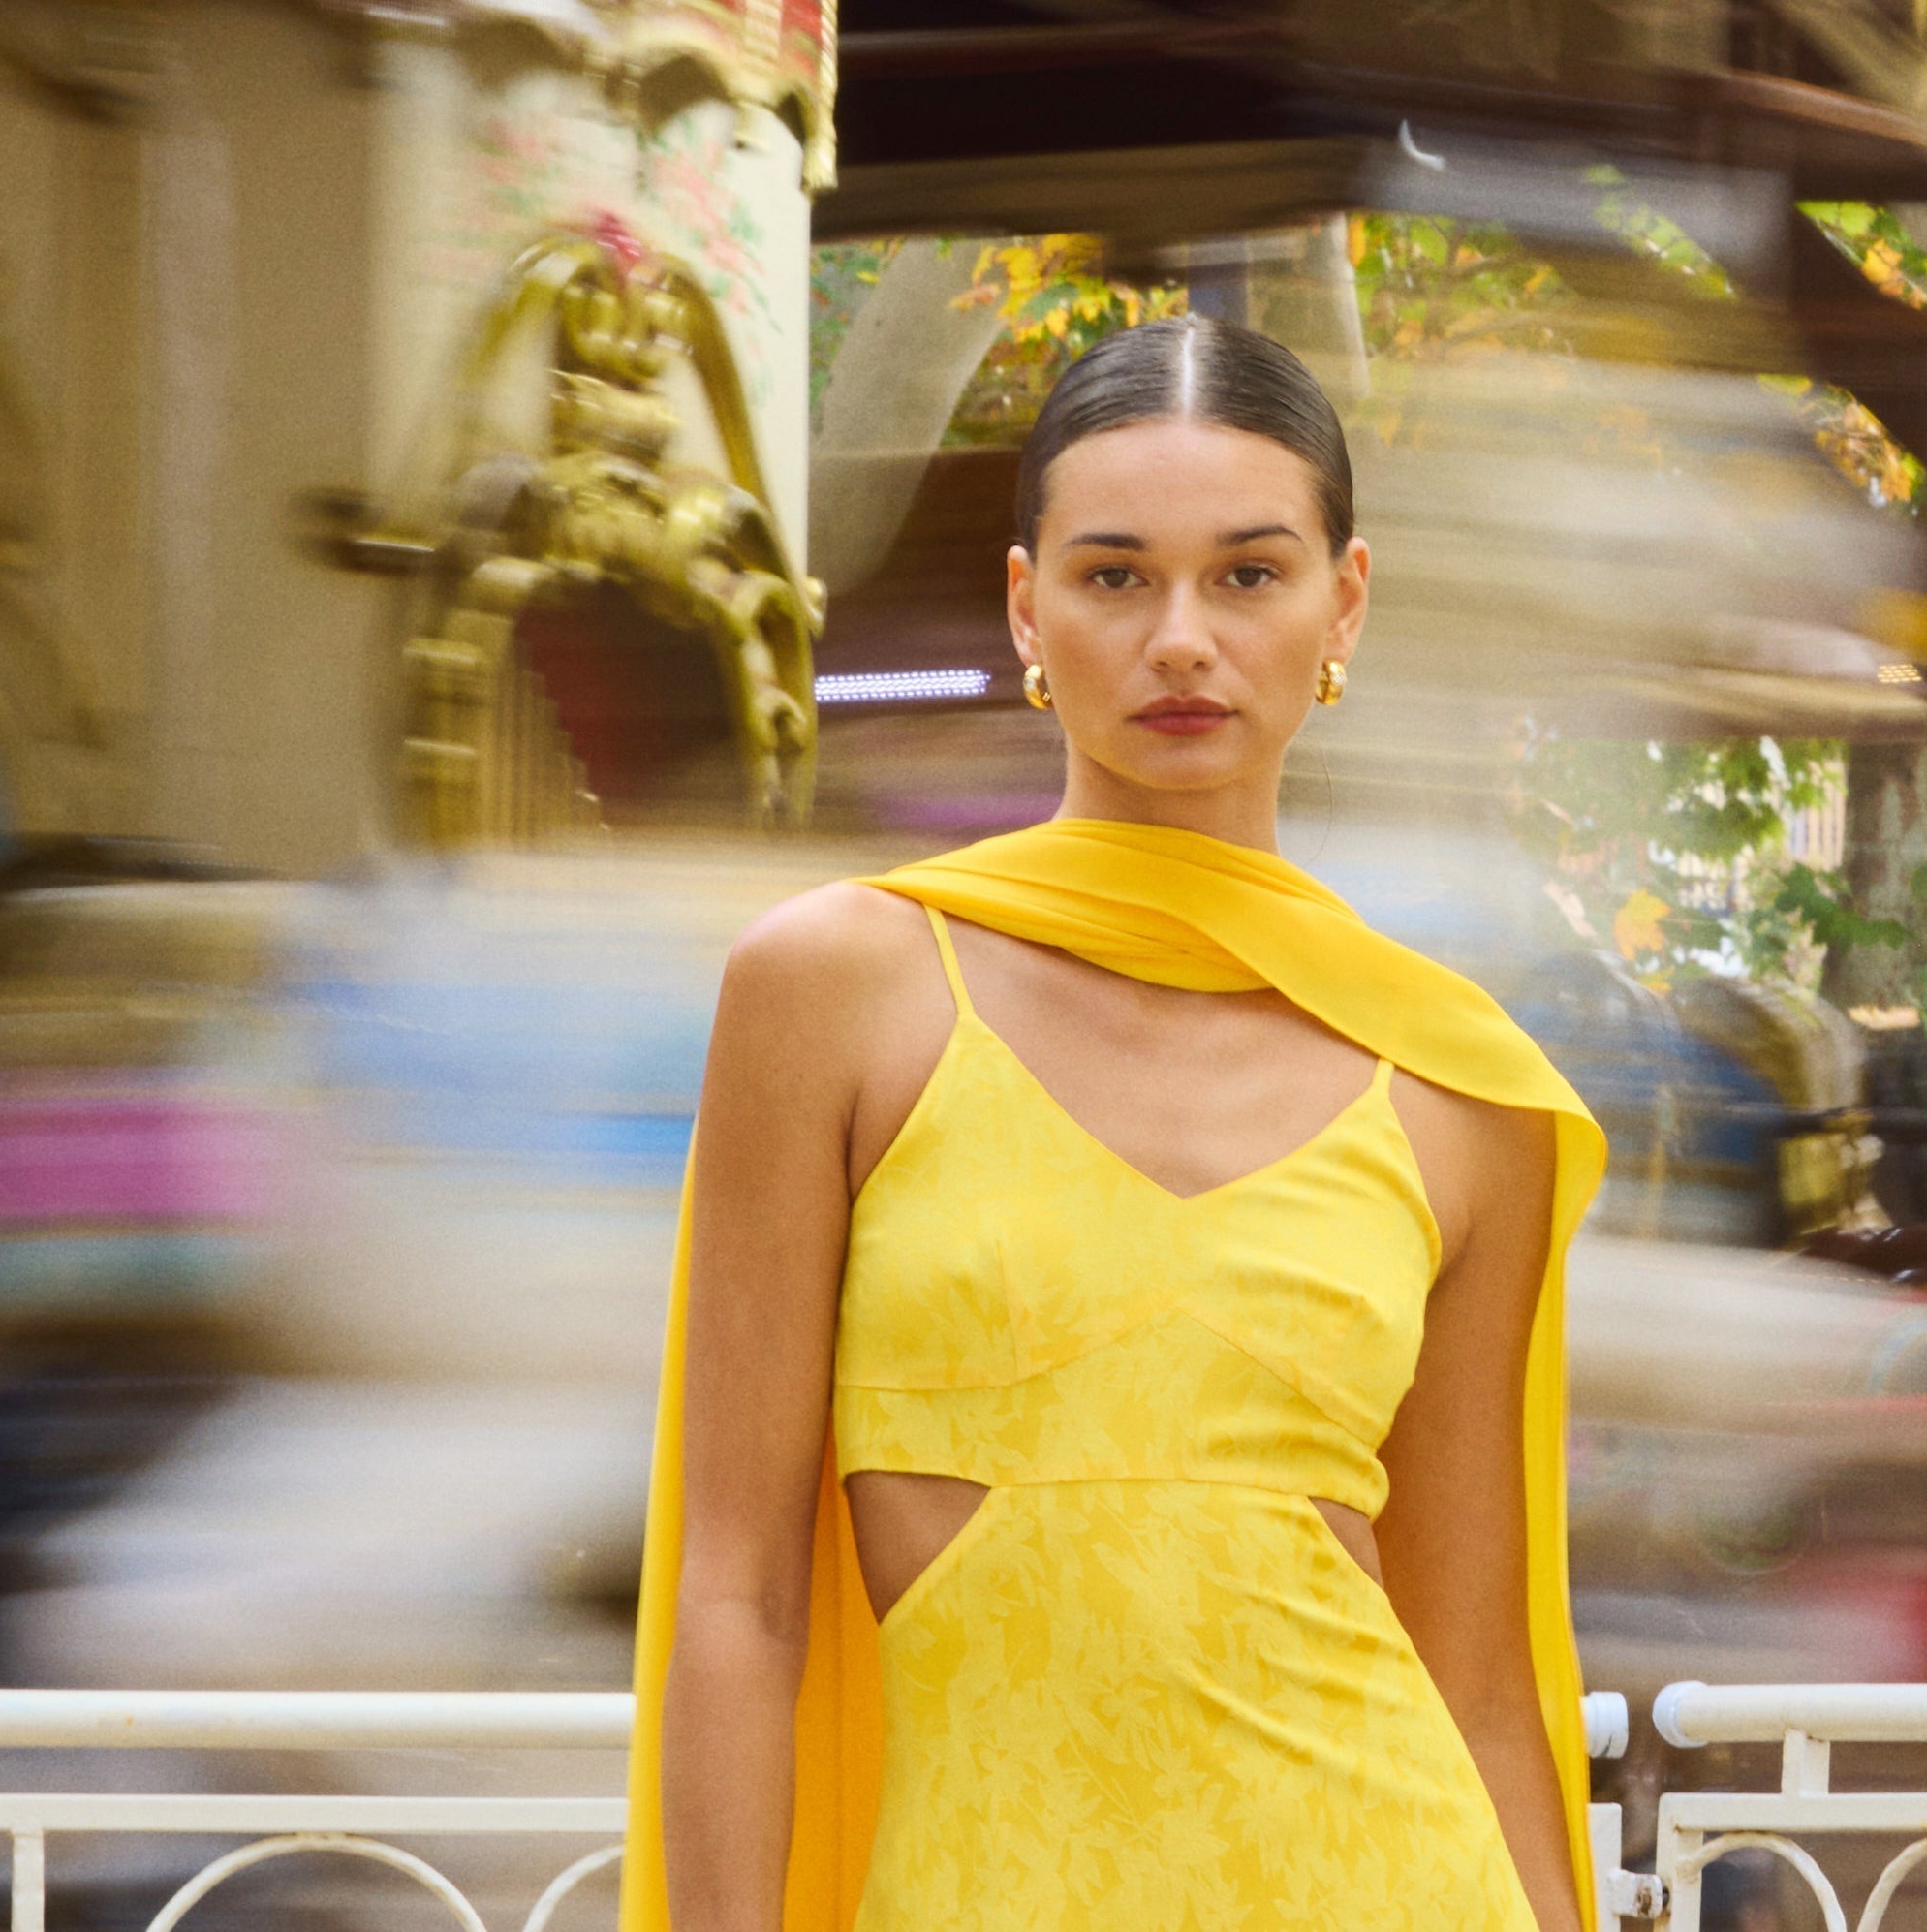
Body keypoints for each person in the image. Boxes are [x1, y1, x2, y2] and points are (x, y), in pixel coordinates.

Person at [629, 316, 1604, 1932]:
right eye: (1112, 575)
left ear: (1341, 601)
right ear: (1028, 606)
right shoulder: (842, 987)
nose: (1179, 640)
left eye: (1247, 574)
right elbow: (734, 1599)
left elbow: (1482, 1680)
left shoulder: (1454, 1082)